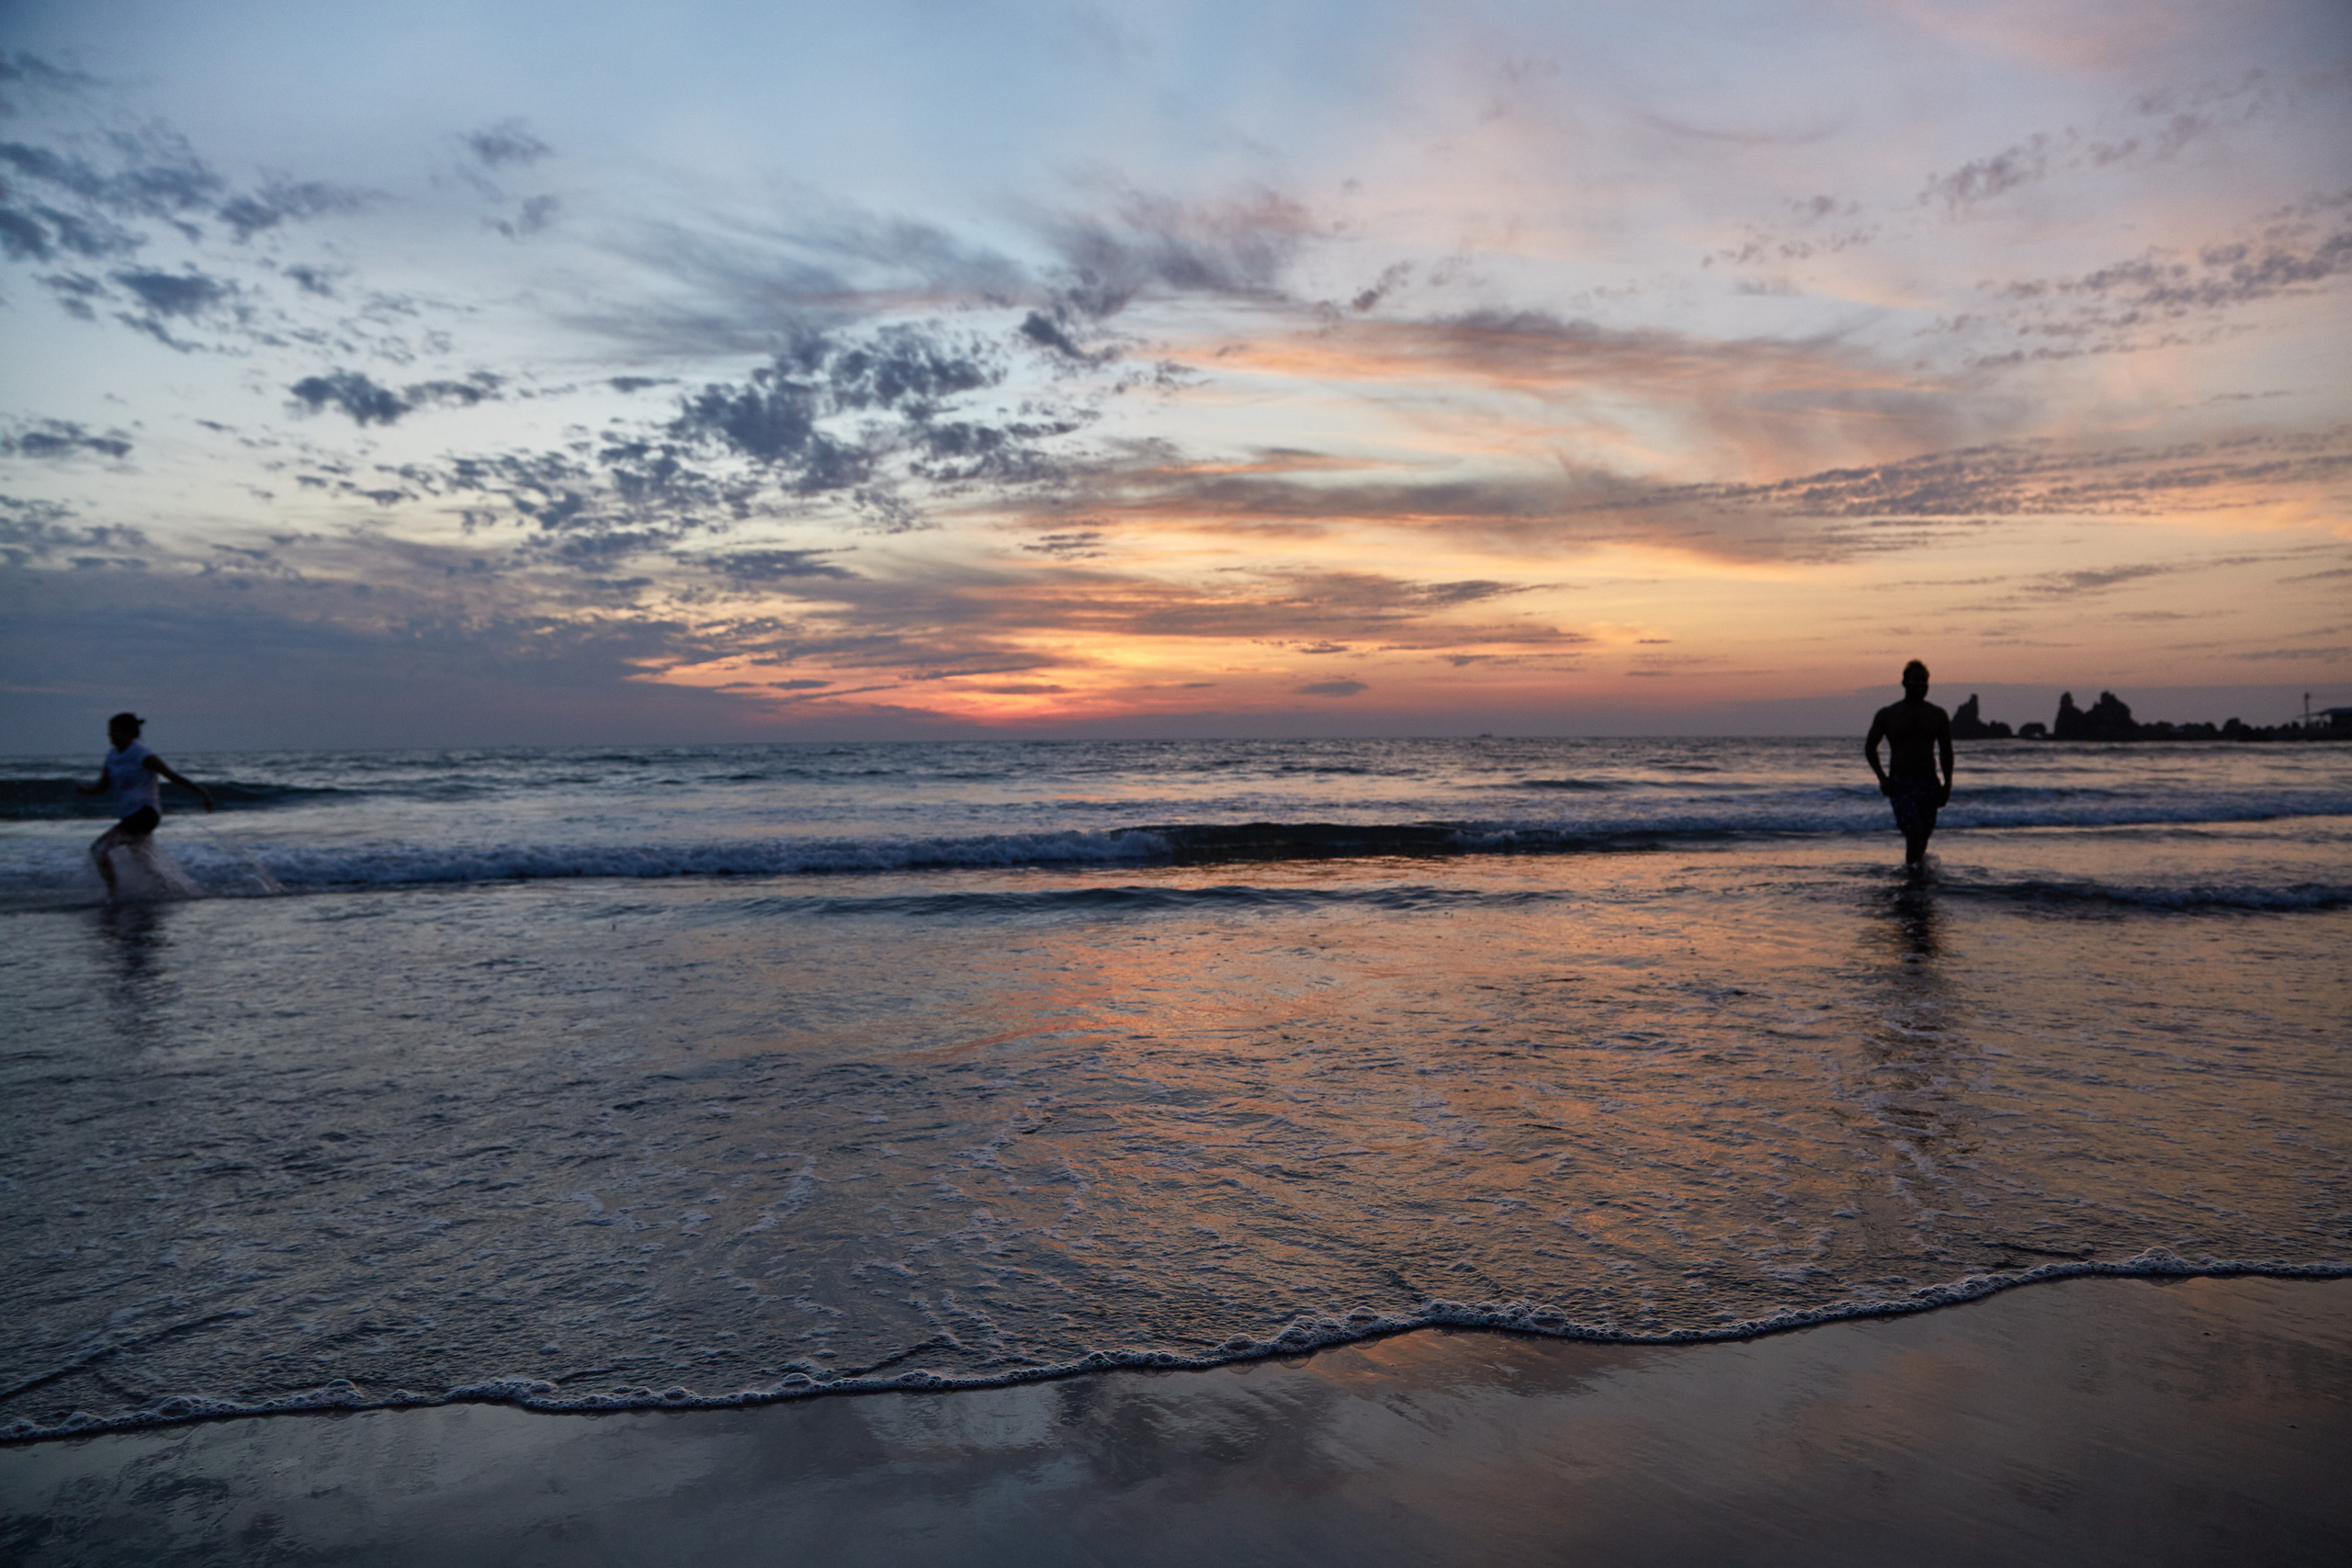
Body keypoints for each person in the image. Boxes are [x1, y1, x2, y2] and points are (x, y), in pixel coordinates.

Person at [76, 712, 213, 897]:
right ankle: (172, 891)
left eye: (114, 731)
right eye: (110, 731)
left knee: (98, 849)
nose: (110, 735)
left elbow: (172, 776)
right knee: (144, 863)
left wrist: (202, 792)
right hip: (129, 816)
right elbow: (103, 786)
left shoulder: (142, 755)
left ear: (127, 732)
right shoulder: (112, 756)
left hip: (145, 814)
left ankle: (113, 894)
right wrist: (86, 791)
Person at [1864, 660, 1952, 870]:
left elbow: (1946, 751)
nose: (1920, 684)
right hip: (1900, 782)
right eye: (1916, 680)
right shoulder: (1888, 714)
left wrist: (1947, 783)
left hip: (1928, 782)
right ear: (1904, 683)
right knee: (1913, 829)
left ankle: (1916, 877)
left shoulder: (1937, 715)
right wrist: (1882, 778)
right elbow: (1870, 747)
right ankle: (1913, 876)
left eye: (1924, 680)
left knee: (1923, 835)